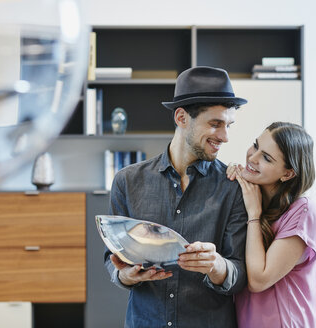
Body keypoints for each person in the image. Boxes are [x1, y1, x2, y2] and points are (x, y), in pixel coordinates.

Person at [104, 66, 249, 328]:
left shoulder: (234, 188)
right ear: (182, 118)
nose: (225, 136)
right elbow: (112, 259)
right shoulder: (127, 181)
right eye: (215, 124)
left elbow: (240, 274)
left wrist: (216, 266)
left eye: (228, 125)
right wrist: (126, 275)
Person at [226, 122, 316, 328]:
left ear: (288, 174)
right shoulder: (251, 197)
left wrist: (253, 214)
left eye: (266, 158)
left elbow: (259, 280)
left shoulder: (302, 211)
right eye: (255, 146)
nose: (252, 157)